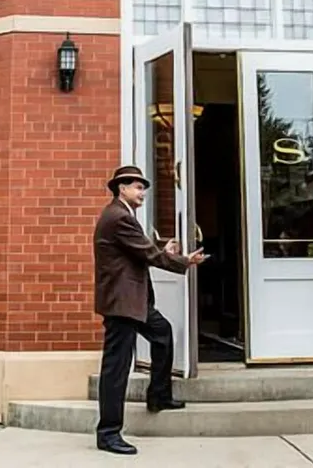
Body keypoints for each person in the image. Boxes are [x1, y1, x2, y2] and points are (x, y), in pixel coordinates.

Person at [93, 165, 207, 456]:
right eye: (138, 187)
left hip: (134, 300)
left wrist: (162, 251)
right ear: (122, 188)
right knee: (116, 368)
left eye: (143, 187)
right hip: (122, 303)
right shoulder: (119, 217)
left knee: (162, 333)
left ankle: (158, 395)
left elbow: (139, 249)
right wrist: (183, 261)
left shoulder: (123, 216)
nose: (142, 192)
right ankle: (108, 433)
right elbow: (147, 254)